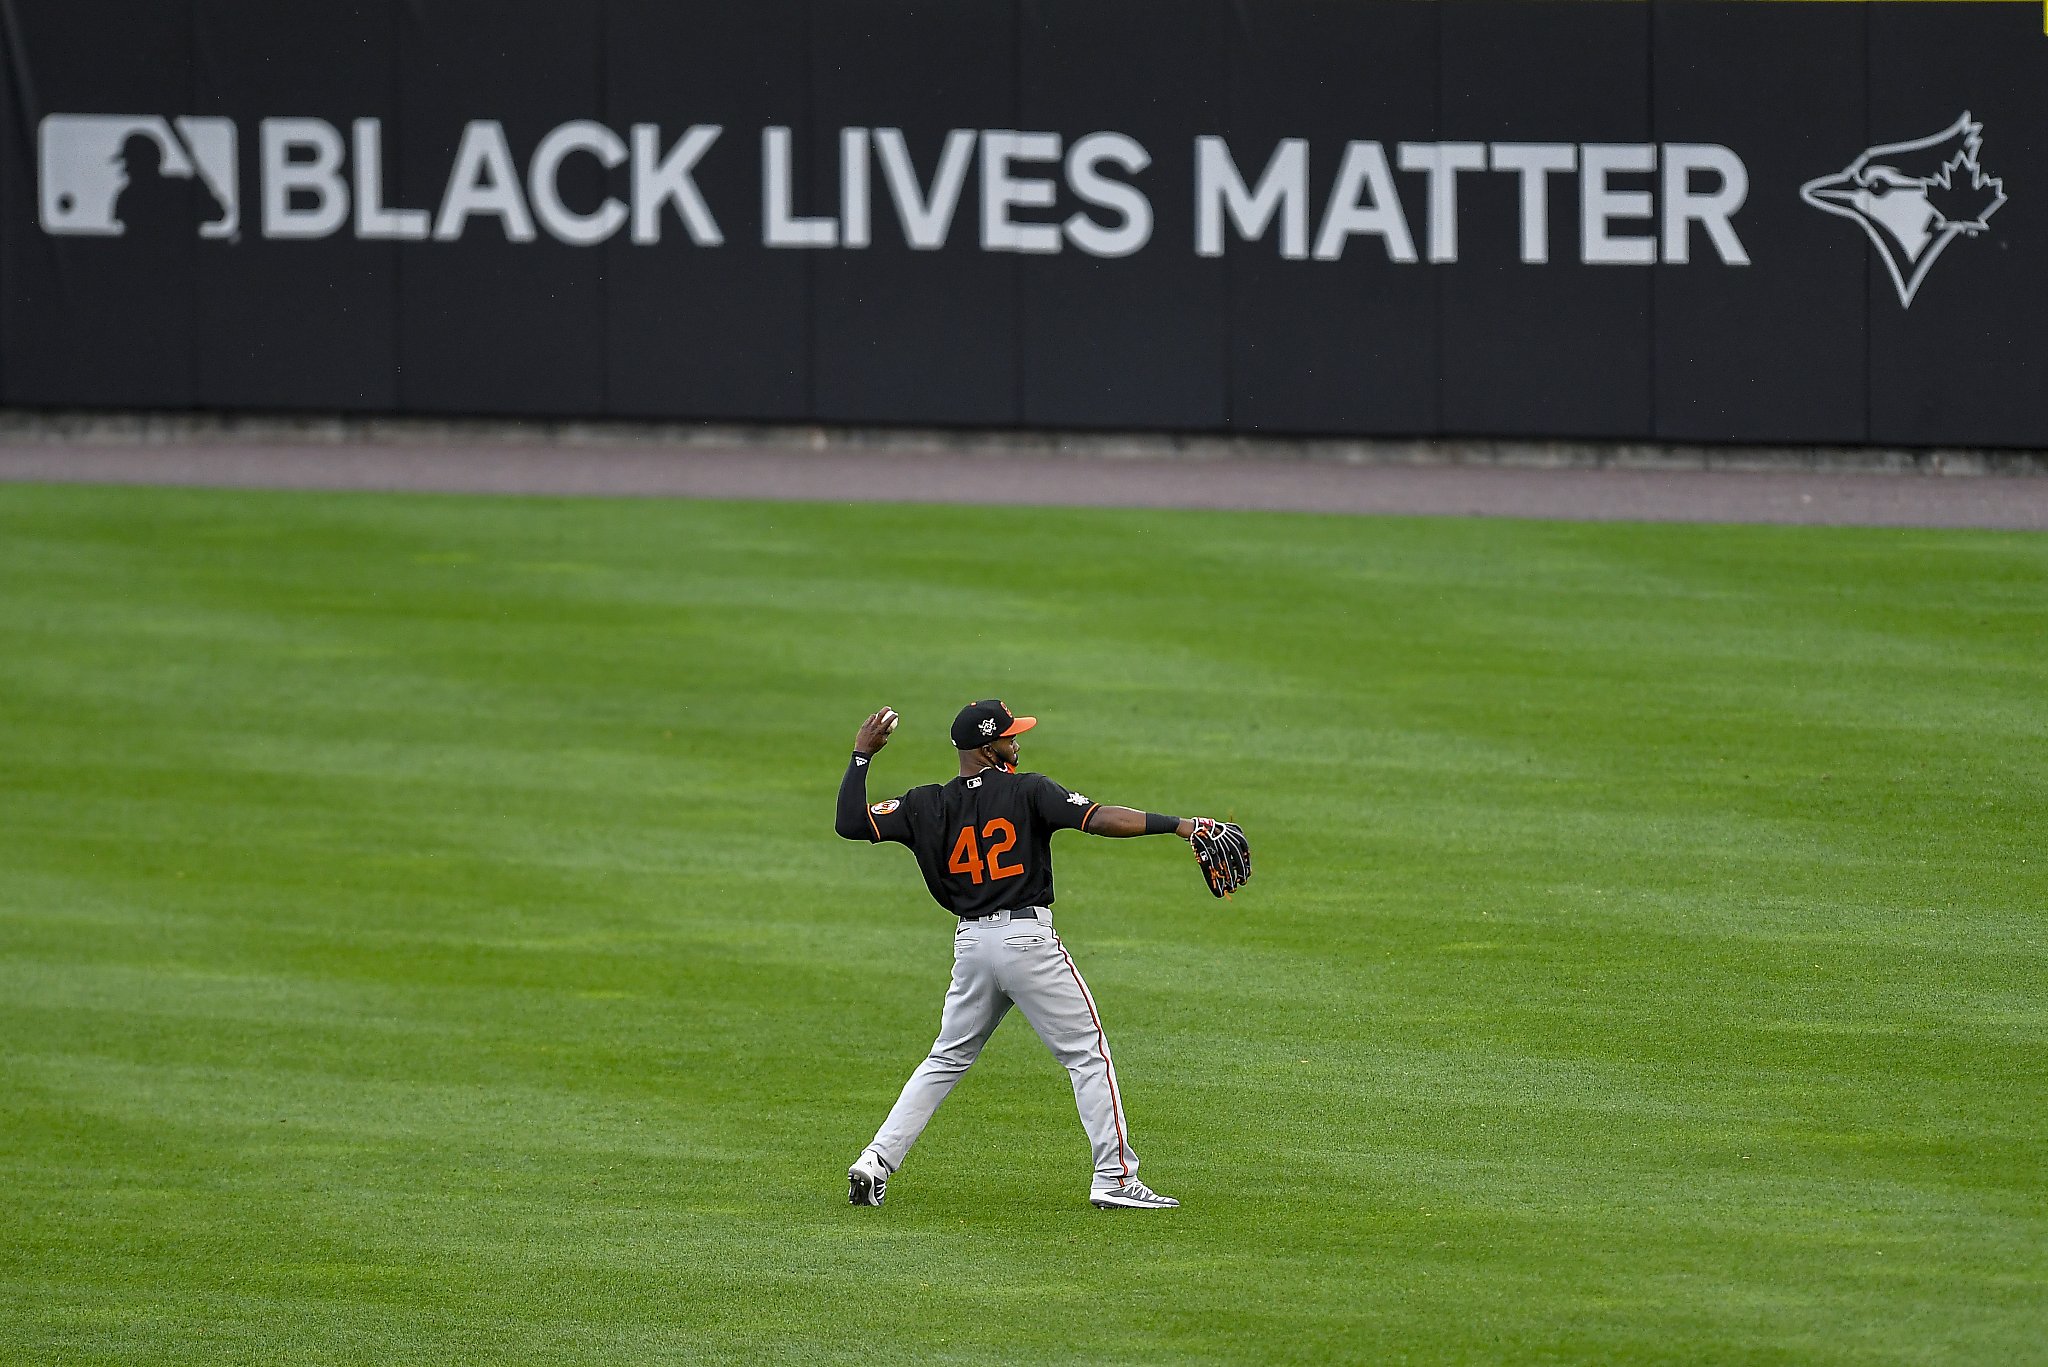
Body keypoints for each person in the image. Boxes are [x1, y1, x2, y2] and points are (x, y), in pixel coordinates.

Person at [835, 699, 1234, 1211]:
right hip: (1027, 942)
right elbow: (1099, 818)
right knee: (1087, 1054)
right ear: (986, 747)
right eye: (1008, 737)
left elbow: (851, 821)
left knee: (946, 1057)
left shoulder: (924, 804)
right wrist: (1181, 825)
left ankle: (875, 1160)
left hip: (972, 947)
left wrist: (863, 755)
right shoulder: (1028, 791)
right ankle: (1113, 1177)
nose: (1016, 743)